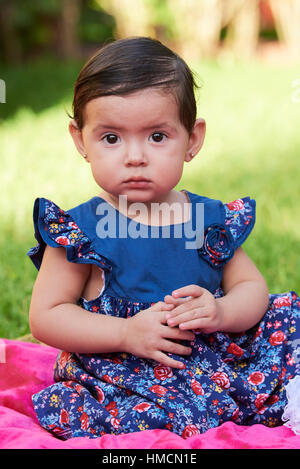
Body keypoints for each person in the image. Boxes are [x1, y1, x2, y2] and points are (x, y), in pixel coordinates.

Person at [27, 37, 300, 440]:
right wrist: (125, 333)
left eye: (157, 136)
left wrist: (223, 313)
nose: (135, 156)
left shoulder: (208, 219)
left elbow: (250, 287)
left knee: (288, 315)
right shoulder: (80, 231)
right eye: (111, 138)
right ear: (81, 140)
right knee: (147, 419)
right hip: (125, 367)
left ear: (191, 139)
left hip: (211, 352)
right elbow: (46, 315)